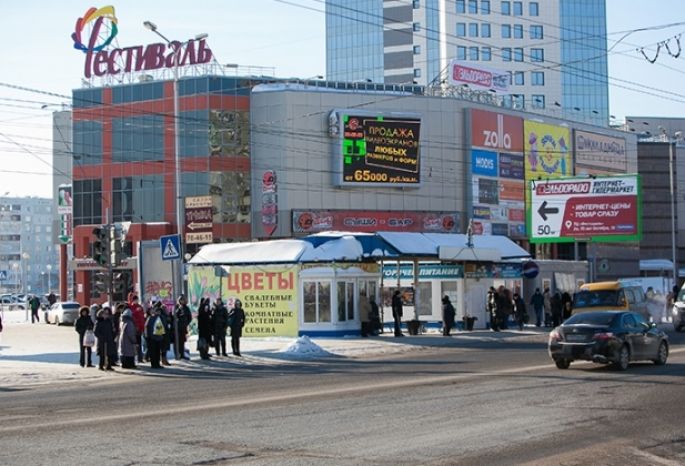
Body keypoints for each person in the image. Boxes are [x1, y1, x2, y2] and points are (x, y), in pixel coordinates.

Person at [94, 307, 115, 371]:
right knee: (102, 354)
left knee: (109, 353)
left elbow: (111, 330)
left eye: (106, 314)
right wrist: (101, 337)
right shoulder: (99, 322)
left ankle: (109, 365)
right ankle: (101, 365)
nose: (106, 315)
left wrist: (113, 335)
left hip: (109, 339)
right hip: (102, 341)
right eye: (104, 314)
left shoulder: (108, 321)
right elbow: (96, 331)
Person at [145, 304, 165, 369]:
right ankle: (155, 364)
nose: (158, 312)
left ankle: (155, 364)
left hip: (154, 338)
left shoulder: (152, 318)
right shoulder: (156, 318)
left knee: (155, 351)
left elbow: (147, 327)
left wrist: (147, 337)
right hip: (155, 338)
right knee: (155, 352)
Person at [128, 295, 146, 364]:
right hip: (135, 328)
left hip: (140, 327)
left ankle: (140, 358)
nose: (136, 301)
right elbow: (131, 316)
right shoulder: (131, 307)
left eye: (137, 300)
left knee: (139, 343)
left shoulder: (139, 306)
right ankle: (136, 358)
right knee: (135, 344)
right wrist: (136, 311)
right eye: (135, 300)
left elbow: (142, 317)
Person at [174, 295, 192, 360]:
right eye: (181, 300)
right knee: (177, 342)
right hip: (177, 328)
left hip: (183, 327)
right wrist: (179, 310)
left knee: (182, 341)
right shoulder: (176, 307)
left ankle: (182, 354)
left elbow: (190, 317)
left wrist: (186, 323)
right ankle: (177, 354)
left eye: (183, 300)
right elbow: (174, 315)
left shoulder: (186, 308)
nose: (182, 301)